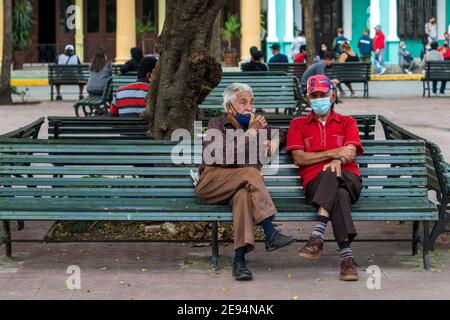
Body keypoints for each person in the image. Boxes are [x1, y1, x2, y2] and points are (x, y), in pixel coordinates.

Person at [195, 83, 296, 281]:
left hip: (238, 187)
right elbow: (223, 157)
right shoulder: (216, 125)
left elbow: (284, 132)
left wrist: (275, 140)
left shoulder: (256, 126)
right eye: (243, 103)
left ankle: (239, 261)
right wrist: (251, 133)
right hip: (212, 182)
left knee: (242, 197)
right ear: (229, 107)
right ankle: (270, 231)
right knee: (250, 172)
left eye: (251, 102)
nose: (250, 107)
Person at [286, 74, 364, 281]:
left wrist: (339, 160)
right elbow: (299, 158)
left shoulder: (347, 122)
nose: (319, 98)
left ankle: (317, 235)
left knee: (334, 175)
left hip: (350, 178)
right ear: (308, 98)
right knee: (338, 193)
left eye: (323, 94)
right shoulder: (298, 124)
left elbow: (350, 152)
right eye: (314, 95)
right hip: (315, 185)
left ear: (332, 96)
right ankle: (346, 258)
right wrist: (333, 154)